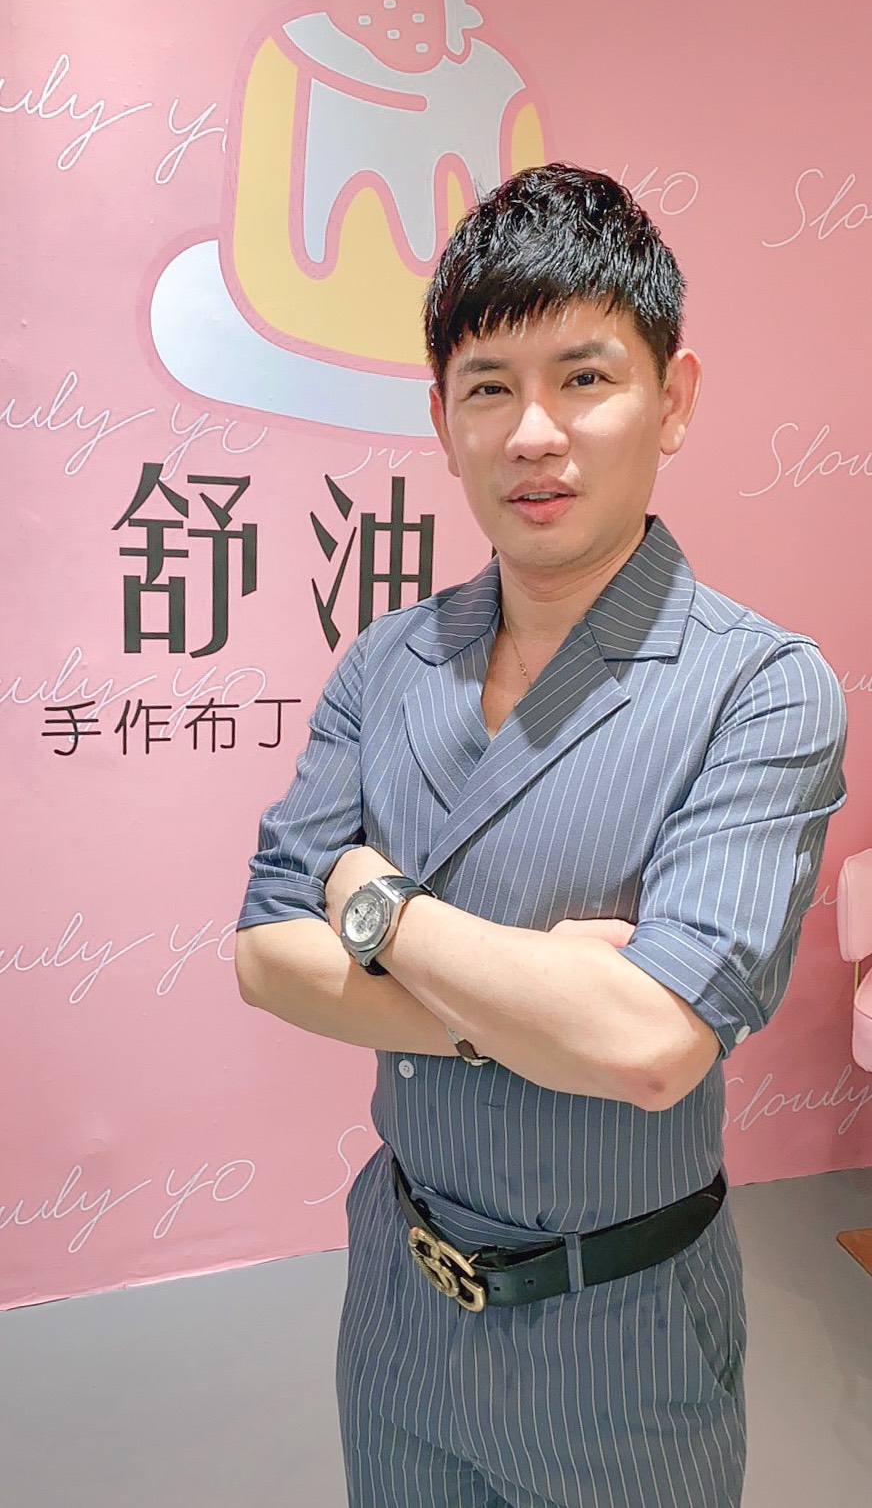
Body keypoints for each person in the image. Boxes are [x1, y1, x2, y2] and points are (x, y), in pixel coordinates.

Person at [235, 164, 847, 1508]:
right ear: (443, 418)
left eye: (584, 377)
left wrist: (378, 905)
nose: (532, 433)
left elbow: (649, 1047)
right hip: (399, 1308)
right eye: (489, 388)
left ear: (673, 398)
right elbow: (266, 953)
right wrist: (521, 1008)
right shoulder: (387, 663)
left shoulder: (760, 687)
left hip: (620, 1346)